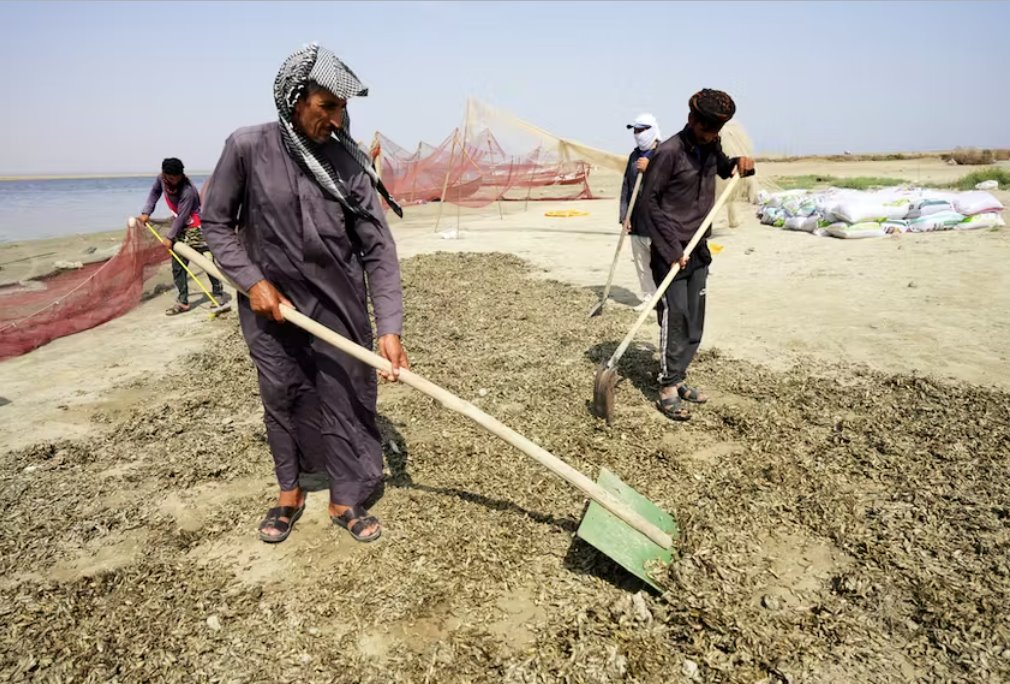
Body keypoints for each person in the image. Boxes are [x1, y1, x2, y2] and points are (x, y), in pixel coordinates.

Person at [201, 43, 408, 545]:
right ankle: (289, 493)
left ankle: (344, 497)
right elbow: (216, 223)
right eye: (327, 107)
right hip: (270, 309)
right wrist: (253, 281)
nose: (337, 119)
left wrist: (389, 327)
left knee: (344, 394)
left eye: (343, 109)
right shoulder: (247, 147)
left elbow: (378, 250)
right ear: (294, 99)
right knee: (283, 392)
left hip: (337, 307)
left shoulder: (351, 164)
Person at [640, 89, 755, 421]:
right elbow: (650, 204)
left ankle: (679, 378)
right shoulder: (670, 153)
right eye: (707, 131)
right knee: (674, 317)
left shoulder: (711, 145)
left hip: (698, 248)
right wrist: (673, 249)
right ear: (691, 120)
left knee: (693, 321)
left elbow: (723, 169)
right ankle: (666, 386)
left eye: (716, 132)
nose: (711, 137)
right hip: (671, 249)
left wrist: (740, 166)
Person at [139, 158, 226, 315]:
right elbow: (155, 193)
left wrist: (170, 237)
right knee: (178, 264)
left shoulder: (188, 191)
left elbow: (182, 216)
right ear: (165, 175)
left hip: (196, 226)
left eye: (178, 177)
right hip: (180, 225)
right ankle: (183, 302)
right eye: (172, 178)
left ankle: (218, 293)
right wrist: (146, 212)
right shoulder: (161, 180)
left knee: (206, 260)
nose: (176, 180)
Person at [621, 114, 662, 311]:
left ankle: (664, 299)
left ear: (653, 129)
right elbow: (627, 187)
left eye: (642, 130)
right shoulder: (634, 156)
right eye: (635, 131)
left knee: (659, 261)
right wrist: (624, 215)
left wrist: (651, 167)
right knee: (641, 262)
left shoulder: (664, 153)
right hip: (636, 218)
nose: (638, 135)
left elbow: (670, 183)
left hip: (657, 220)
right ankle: (648, 297)